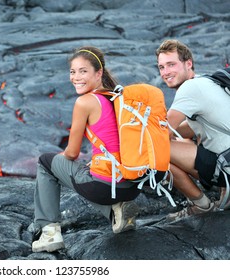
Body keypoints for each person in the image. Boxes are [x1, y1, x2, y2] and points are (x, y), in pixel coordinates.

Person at [31, 46, 140, 253]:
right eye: (73, 72)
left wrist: (61, 164)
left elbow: (71, 153)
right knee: (88, 169)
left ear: (98, 73)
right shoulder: (115, 96)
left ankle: (49, 233)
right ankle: (116, 212)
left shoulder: (85, 102)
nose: (76, 77)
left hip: (106, 186)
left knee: (46, 162)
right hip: (131, 184)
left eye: (83, 71)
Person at [156, 39, 230, 222]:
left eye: (171, 64)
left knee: (155, 150)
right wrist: (173, 134)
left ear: (188, 63)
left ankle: (201, 206)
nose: (166, 72)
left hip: (226, 165)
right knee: (176, 143)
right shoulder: (205, 81)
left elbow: (159, 135)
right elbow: (190, 127)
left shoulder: (189, 88)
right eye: (161, 67)